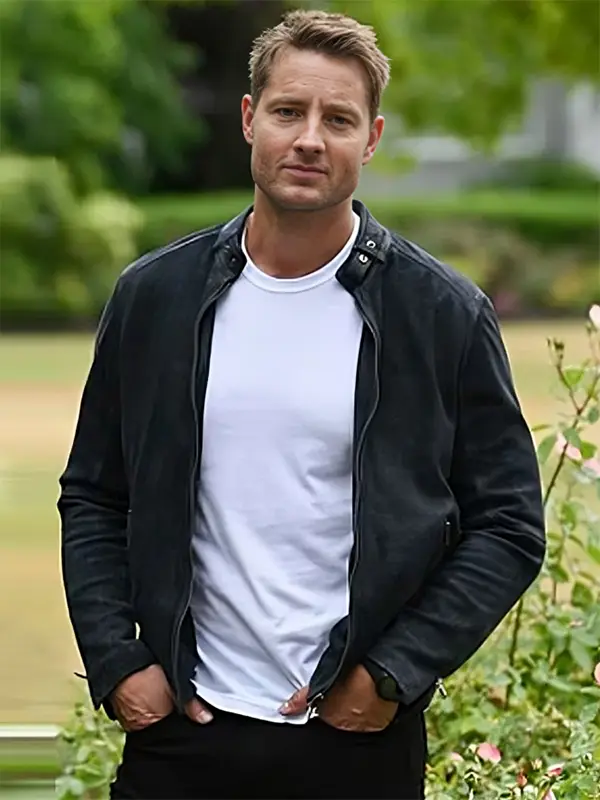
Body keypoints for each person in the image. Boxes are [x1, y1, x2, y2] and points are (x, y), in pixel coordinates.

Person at [58, 9, 546, 800]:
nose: (310, 138)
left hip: (357, 742)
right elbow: (94, 494)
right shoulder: (156, 298)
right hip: (183, 737)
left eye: (338, 119)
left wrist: (391, 674)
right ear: (250, 119)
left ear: (372, 139)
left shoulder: (441, 314)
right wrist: (119, 661)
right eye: (289, 111)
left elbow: (509, 525)